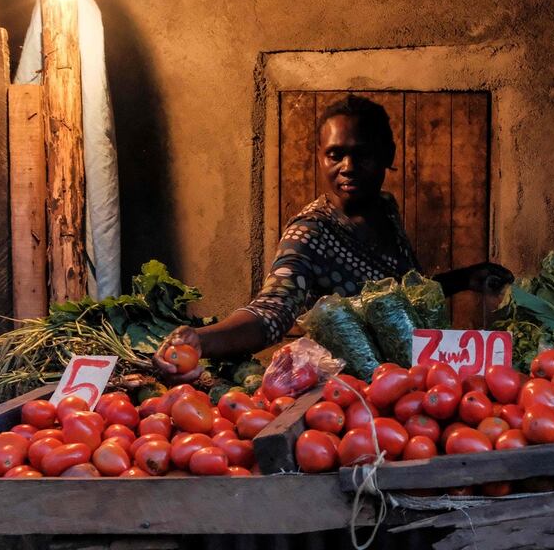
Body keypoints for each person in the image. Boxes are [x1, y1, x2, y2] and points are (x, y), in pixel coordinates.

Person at [153, 94, 512, 383]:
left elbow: (397, 296)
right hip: (348, 397)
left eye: (362, 154)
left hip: (413, 384)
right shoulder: (310, 232)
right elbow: (272, 310)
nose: (348, 167)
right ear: (321, 158)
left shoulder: (386, 210)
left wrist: (462, 279)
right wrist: (201, 340)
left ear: (388, 155)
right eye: (335, 154)